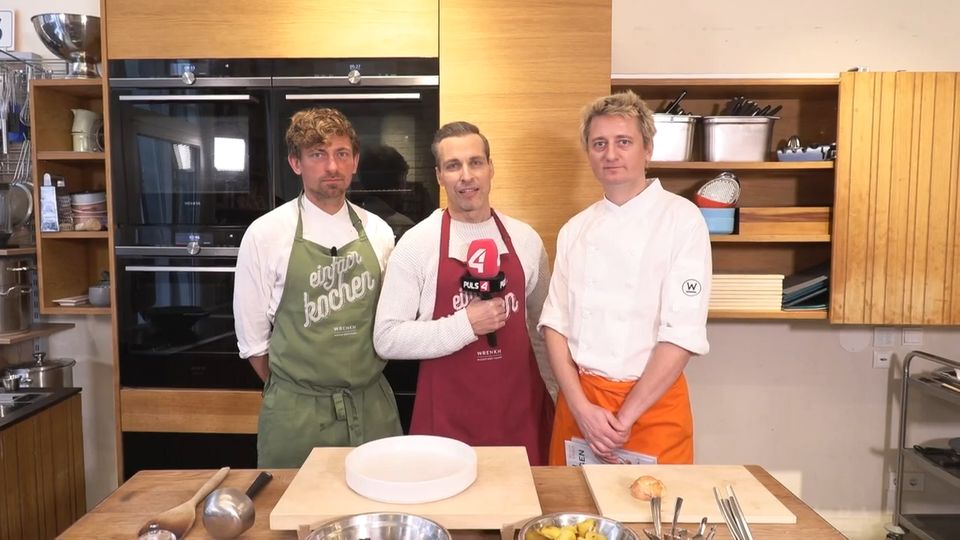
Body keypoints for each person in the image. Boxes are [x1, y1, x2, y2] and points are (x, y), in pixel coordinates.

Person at [539, 91, 711, 465]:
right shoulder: (575, 230)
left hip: (652, 408)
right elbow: (555, 325)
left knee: (655, 505)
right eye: (599, 143)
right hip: (581, 405)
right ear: (588, 153)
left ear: (647, 149)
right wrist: (582, 409)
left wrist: (623, 419)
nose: (610, 154)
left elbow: (681, 334)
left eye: (624, 142)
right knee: (571, 504)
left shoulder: (682, 220)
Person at [373, 121, 555, 465]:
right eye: (453, 165)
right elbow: (386, 339)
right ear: (439, 175)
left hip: (520, 415)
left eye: (475, 162)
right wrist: (465, 325)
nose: (466, 176)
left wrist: (556, 396)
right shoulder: (417, 244)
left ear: (490, 168)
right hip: (446, 423)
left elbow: (543, 331)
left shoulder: (525, 239)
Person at [234, 107, 402, 468]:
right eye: (317, 154)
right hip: (297, 416)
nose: (332, 166)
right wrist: (301, 392)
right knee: (295, 503)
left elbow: (393, 322)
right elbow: (253, 343)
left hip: (371, 407)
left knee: (380, 501)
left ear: (355, 161)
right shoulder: (265, 234)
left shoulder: (379, 232)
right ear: (296, 163)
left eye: (342, 153)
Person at [356, 144, 416, 238]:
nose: (406, 185)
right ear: (398, 181)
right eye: (404, 178)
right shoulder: (404, 226)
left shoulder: (351, 221)